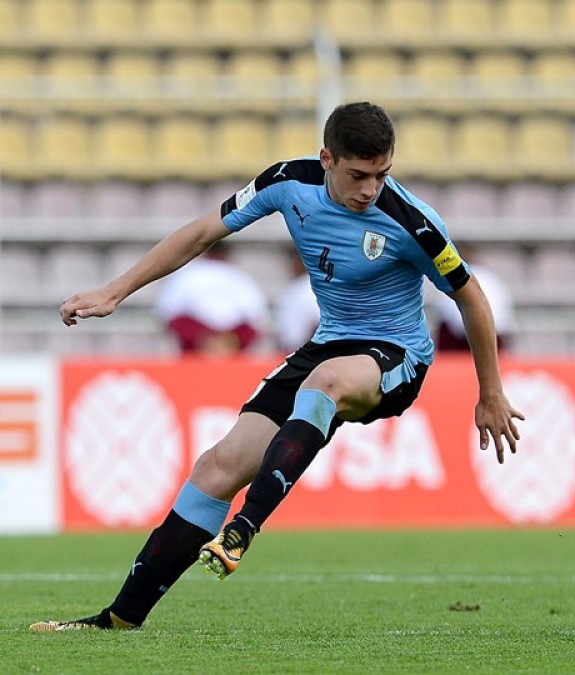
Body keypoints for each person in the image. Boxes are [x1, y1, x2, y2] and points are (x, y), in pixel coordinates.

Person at [34, 101, 523, 631]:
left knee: (325, 382)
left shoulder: (413, 222)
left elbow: (471, 298)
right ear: (327, 159)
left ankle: (245, 527)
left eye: (382, 175)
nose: (370, 189)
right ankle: (119, 618)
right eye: (358, 175)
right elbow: (201, 233)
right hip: (327, 344)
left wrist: (490, 393)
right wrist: (114, 291)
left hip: (397, 355)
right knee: (216, 467)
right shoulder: (288, 183)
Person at [154, 240, 268, 356]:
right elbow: (256, 316)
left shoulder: (187, 274)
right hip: (201, 342)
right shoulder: (240, 277)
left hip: (230, 342)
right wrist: (208, 337)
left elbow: (166, 310)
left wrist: (223, 339)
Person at [430, 244, 515, 352]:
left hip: (462, 342)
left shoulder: (452, 278)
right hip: (496, 340)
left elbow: (448, 318)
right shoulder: (492, 279)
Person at [273, 246, 321, 353]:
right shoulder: (293, 287)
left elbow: (319, 324)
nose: (293, 264)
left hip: (311, 351)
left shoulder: (314, 286)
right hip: (290, 349)